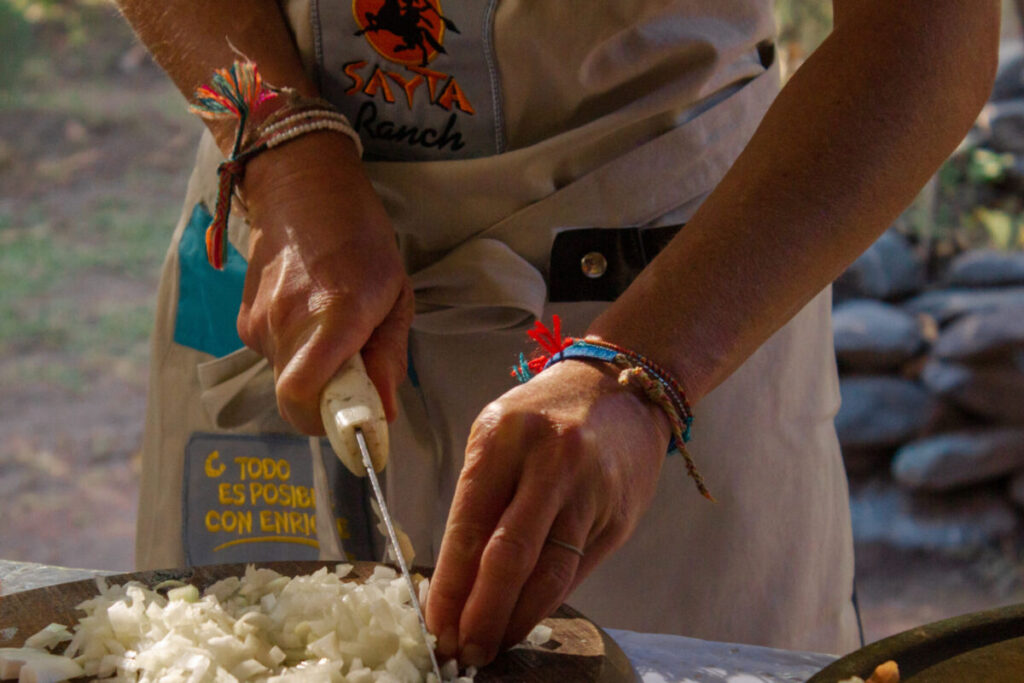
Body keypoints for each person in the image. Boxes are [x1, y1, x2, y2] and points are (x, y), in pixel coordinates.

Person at [117, 0, 998, 667]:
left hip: (678, 296)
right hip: (281, 244)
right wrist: (278, 146)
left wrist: (642, 370)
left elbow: (926, 40)